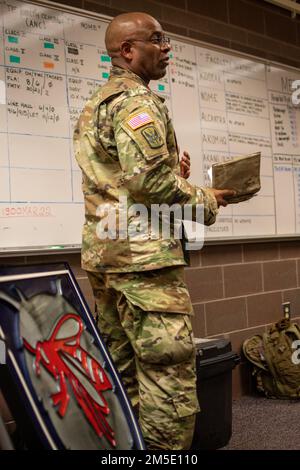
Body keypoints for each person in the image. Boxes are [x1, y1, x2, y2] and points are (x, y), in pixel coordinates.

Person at [74, 12, 235, 450]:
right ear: (128, 51)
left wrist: (170, 173)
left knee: (123, 378)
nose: (167, 48)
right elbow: (150, 186)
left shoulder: (96, 105)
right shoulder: (137, 102)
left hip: (107, 256)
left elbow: (120, 179)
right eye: (157, 39)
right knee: (168, 381)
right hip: (144, 263)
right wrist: (205, 199)